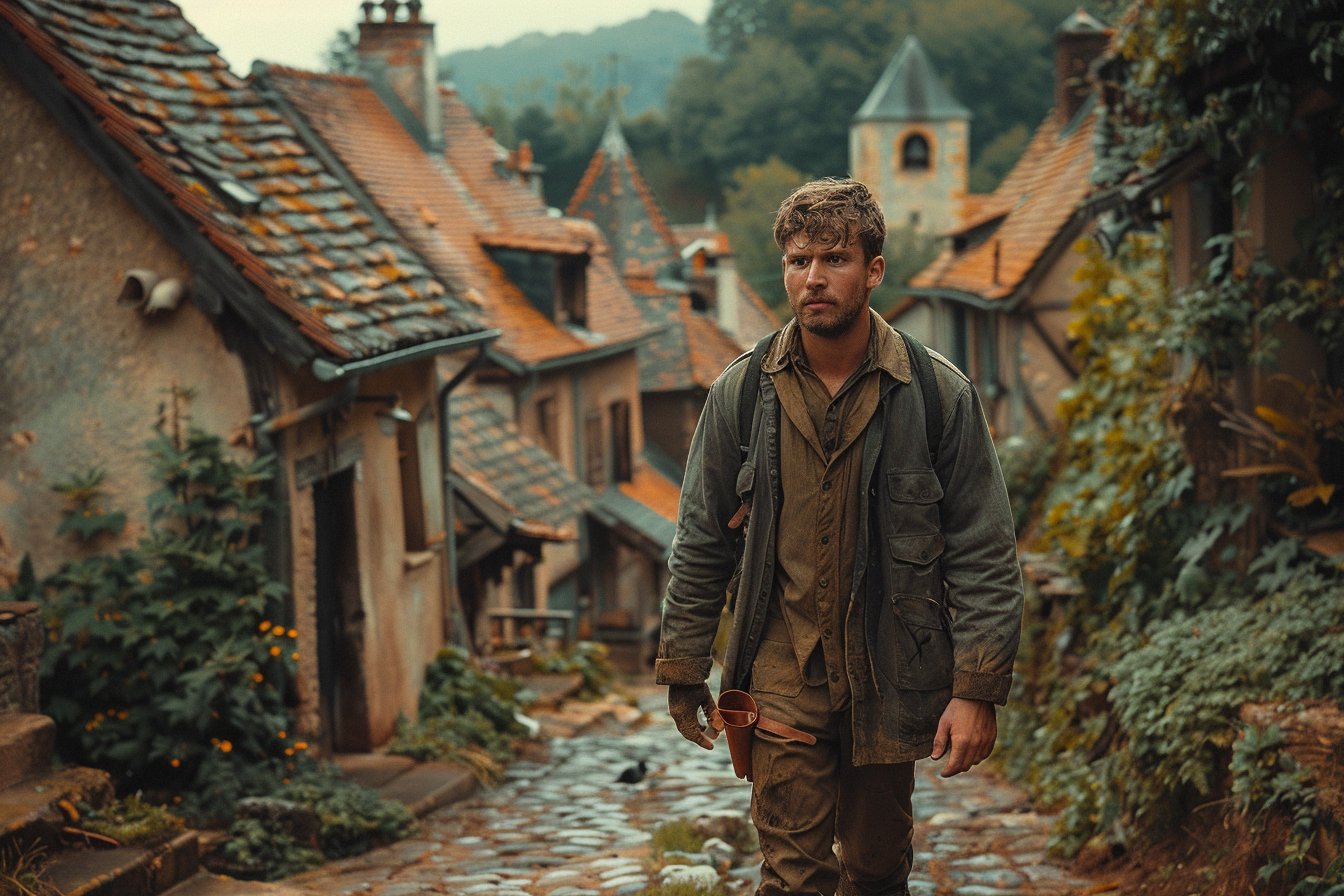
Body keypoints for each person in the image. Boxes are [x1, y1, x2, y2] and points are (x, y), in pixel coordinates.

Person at [655, 177, 1023, 896]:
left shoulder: (936, 395)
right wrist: (683, 664)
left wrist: (978, 689)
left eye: (834, 259)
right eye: (797, 261)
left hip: (891, 674)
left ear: (874, 269)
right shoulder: (740, 394)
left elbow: (984, 548)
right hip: (781, 676)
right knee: (794, 879)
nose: (813, 278)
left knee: (878, 870)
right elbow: (701, 538)